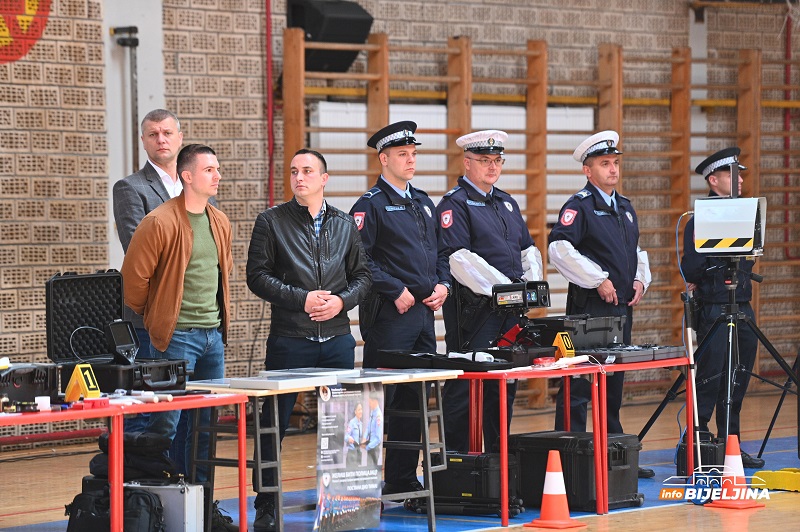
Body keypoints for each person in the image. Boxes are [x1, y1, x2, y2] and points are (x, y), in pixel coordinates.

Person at [246, 149, 371, 532]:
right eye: (294, 171)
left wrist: (340, 302)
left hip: (336, 340)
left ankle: (343, 502)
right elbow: (257, 276)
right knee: (274, 425)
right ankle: (266, 503)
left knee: (344, 425)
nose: (299, 177)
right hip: (289, 339)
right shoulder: (271, 221)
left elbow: (363, 278)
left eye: (308, 171)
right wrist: (301, 298)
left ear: (324, 179)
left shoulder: (345, 223)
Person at [120, 143, 236, 531]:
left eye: (217, 169)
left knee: (204, 427)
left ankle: (200, 506)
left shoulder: (219, 221)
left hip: (211, 339)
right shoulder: (159, 221)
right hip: (173, 337)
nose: (217, 175)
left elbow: (221, 276)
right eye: (209, 170)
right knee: (163, 426)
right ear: (187, 176)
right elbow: (134, 281)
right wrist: (156, 318)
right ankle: (149, 505)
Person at [349, 120, 450, 499]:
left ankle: (403, 479)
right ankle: (359, 485)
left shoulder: (423, 201)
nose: (411, 160)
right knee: (377, 403)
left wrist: (443, 284)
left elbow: (440, 252)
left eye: (413, 154)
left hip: (423, 315)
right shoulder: (370, 205)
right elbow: (359, 258)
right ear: (384, 158)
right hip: (390, 316)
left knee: (413, 403)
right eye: (403, 155)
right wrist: (395, 290)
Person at [548, 130, 654, 479]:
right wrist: (598, 279)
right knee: (578, 386)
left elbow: (636, 251)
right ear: (588, 171)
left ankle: (613, 456)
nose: (612, 169)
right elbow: (559, 249)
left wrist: (641, 279)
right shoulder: (579, 207)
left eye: (615, 163)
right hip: (588, 311)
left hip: (621, 310)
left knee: (613, 384)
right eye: (604, 164)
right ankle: (569, 460)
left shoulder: (624, 208)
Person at [436, 130, 543, 453]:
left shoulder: (507, 203)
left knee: (502, 387)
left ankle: (499, 465)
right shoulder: (454, 204)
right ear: (467, 163)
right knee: (466, 389)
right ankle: (457, 463)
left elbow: (528, 249)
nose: (492, 167)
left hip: (509, 313)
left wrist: (531, 286)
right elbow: (459, 259)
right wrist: (508, 289)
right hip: (474, 315)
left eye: (497, 161)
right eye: (484, 161)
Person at [112, 109, 208, 448]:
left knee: (196, 417)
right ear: (144, 142)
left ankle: (188, 495)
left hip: (199, 317)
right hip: (154, 316)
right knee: (154, 414)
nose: (161, 139)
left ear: (180, 138)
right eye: (153, 134)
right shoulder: (130, 188)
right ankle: (137, 494)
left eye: (167, 132)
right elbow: (138, 250)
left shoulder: (196, 184)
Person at [680, 147, 764, 469]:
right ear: (714, 180)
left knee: (738, 378)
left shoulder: (745, 213)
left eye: (740, 174)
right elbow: (693, 267)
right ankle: (699, 445)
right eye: (733, 174)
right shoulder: (699, 219)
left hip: (742, 306)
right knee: (710, 379)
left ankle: (731, 446)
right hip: (714, 309)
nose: (740, 180)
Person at [364, 394, 383, 467]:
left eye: (370, 402)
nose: (369, 404)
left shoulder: (378, 416)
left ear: (375, 401)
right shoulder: (373, 413)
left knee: (373, 468)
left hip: (374, 448)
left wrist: (367, 447)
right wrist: (364, 438)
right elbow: (369, 426)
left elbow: (378, 438)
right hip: (370, 445)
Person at [345, 403, 365, 468]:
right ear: (355, 412)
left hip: (358, 452)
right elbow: (346, 436)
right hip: (352, 453)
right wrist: (349, 439)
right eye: (359, 409)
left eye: (361, 409)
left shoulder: (361, 424)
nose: (361, 411)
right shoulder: (351, 423)